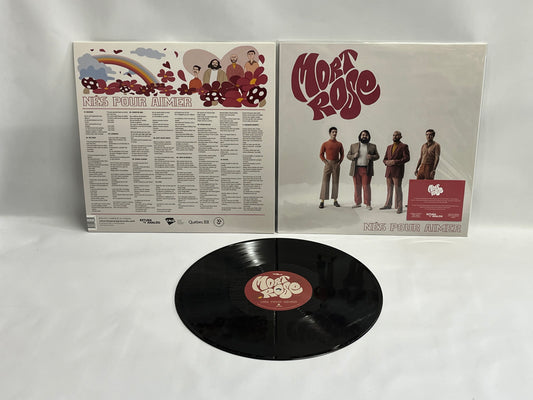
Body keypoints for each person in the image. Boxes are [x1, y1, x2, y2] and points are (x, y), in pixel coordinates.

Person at [347, 130, 379, 210]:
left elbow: (377, 156)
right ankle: (358, 203)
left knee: (366, 187)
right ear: (360, 136)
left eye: (366, 135)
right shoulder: (353, 146)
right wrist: (353, 156)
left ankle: (368, 204)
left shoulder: (372, 146)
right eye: (363, 135)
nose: (364, 136)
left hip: (366, 169)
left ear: (368, 137)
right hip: (355, 169)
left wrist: (371, 157)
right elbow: (348, 155)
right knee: (357, 186)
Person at [380, 131, 410, 214]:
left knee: (398, 189)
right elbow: (384, 159)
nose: (395, 136)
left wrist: (395, 162)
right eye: (393, 135)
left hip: (397, 171)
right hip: (388, 171)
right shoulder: (389, 147)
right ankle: (388, 204)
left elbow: (407, 158)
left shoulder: (404, 146)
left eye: (397, 135)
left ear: (400, 136)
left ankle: (399, 206)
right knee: (389, 189)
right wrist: (386, 162)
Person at [319, 127, 344, 209]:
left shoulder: (339, 144)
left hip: (336, 164)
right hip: (328, 163)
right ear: (330, 133)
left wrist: (339, 162)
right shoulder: (325, 144)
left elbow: (342, 154)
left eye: (336, 132)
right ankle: (322, 201)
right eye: (333, 132)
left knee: (335, 182)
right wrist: (325, 162)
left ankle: (335, 200)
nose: (334, 133)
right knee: (325, 181)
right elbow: (321, 154)